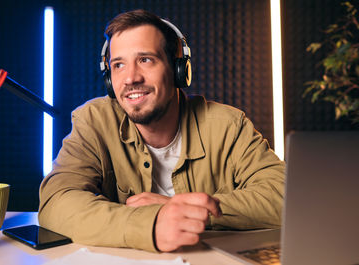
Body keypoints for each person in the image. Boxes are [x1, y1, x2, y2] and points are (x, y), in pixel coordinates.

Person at [38, 9, 285, 253]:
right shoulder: (94, 121)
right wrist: (150, 225)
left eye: (145, 59)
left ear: (178, 70)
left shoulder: (227, 125)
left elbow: (284, 197)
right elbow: (56, 201)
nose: (130, 78)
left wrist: (186, 212)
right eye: (119, 65)